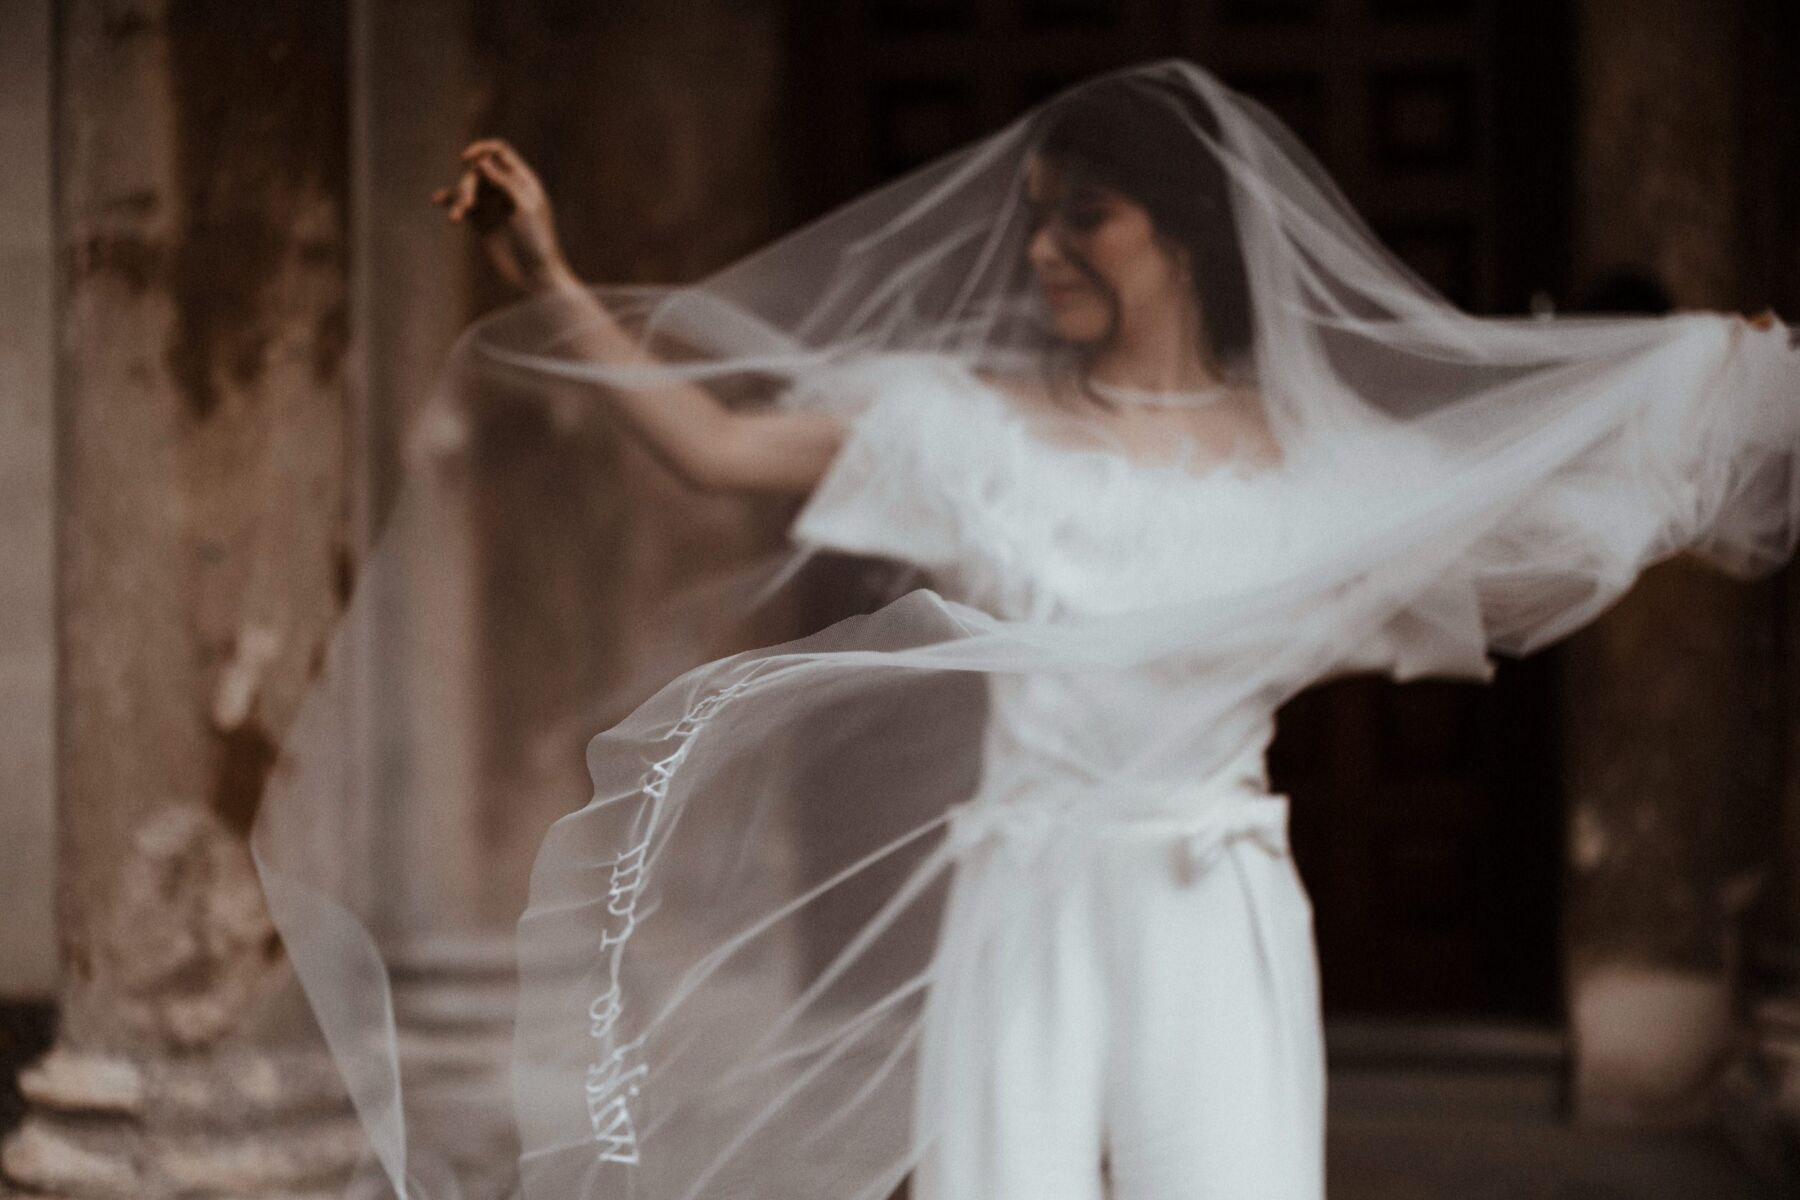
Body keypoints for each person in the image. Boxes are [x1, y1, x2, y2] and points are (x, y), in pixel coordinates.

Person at [252, 59, 1800, 1200]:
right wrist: (558, 279)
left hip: (1212, 907)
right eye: (1039, 220)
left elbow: (1539, 487)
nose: (1048, 249)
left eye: (1088, 219)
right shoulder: (967, 433)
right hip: (1028, 896)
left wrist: (1709, 388)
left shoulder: (1321, 468)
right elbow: (716, 451)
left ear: (1183, 232)